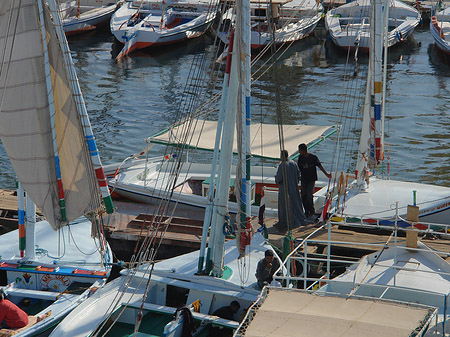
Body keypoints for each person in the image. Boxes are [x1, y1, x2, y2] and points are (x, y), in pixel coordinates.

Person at [275, 149, 306, 231]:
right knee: (295, 204)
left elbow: (279, 178)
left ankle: (285, 222)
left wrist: (276, 178)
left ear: (282, 156)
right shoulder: (294, 163)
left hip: (284, 189)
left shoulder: (282, 165)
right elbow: (298, 175)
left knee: (284, 205)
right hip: (294, 187)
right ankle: (298, 220)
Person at [297, 143, 331, 218]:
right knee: (303, 195)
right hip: (304, 179)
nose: (299, 152)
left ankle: (311, 210)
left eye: (299, 150)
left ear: (303, 150)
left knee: (309, 194)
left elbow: (319, 166)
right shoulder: (300, 157)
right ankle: (306, 211)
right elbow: (298, 169)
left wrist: (326, 174)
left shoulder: (313, 157)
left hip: (311, 179)